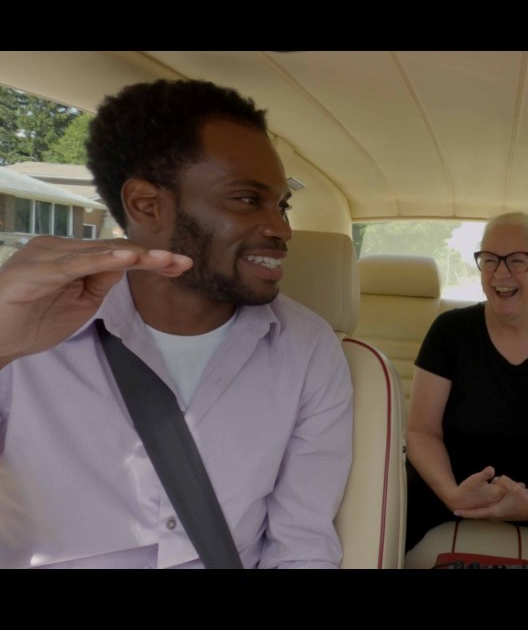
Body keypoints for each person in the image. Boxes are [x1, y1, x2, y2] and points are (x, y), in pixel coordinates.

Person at [0, 79, 353, 568]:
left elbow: (302, 545)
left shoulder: (309, 348)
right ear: (148, 206)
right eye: (247, 200)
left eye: (282, 204)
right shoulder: (24, 328)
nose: (282, 229)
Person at [404, 211, 528, 568]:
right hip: (450, 487)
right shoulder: (448, 332)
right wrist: (453, 494)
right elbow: (421, 431)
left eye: (517, 260)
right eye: (489, 260)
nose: (500, 273)